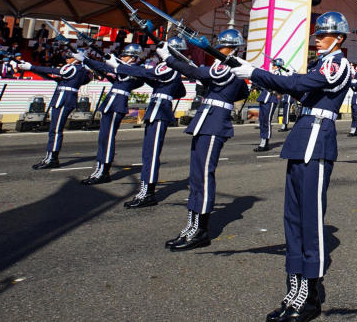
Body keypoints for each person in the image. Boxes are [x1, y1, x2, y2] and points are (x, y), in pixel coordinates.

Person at [233, 12, 353, 322]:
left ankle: (311, 295)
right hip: (302, 140)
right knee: (293, 218)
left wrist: (255, 73)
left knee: (310, 222)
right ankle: (295, 285)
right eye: (318, 32)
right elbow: (296, 87)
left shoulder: (337, 63)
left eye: (324, 34)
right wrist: (269, 75)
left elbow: (301, 83)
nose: (318, 37)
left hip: (317, 141)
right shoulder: (320, 64)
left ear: (339, 38)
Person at [160, 29, 249, 251]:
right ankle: (192, 224)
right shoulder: (223, 69)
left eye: (224, 47)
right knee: (196, 175)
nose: (219, 50)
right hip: (205, 121)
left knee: (204, 177)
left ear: (234, 49)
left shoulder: (231, 67)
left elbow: (199, 73)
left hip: (215, 123)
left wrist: (169, 59)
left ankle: (201, 229)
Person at [113, 36, 188, 208]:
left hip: (160, 110)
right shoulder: (170, 68)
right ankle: (145, 189)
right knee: (147, 152)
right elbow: (180, 91)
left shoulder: (170, 67)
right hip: (156, 108)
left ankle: (148, 192)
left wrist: (120, 66)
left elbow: (148, 73)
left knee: (151, 153)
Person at [78, 44, 145, 184]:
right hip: (110, 103)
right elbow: (108, 71)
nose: (122, 57)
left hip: (117, 104)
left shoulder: (137, 69)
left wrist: (86, 60)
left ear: (133, 58)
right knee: (103, 137)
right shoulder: (124, 69)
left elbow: (108, 67)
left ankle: (104, 171)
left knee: (108, 138)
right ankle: (100, 168)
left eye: (125, 56)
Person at [17, 50, 92, 169]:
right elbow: (55, 77)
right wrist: (31, 69)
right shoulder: (78, 70)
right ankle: (50, 157)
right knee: (54, 129)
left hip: (64, 100)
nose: (67, 58)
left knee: (56, 130)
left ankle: (52, 158)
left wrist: (32, 66)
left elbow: (55, 71)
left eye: (70, 57)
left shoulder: (75, 69)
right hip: (61, 99)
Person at [254, 58, 285, 152]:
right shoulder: (270, 73)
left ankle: (265, 142)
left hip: (271, 98)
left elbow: (279, 86)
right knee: (262, 120)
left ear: (278, 66)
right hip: (264, 97)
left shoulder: (279, 74)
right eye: (273, 64)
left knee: (266, 120)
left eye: (274, 65)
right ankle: (262, 140)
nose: (273, 66)